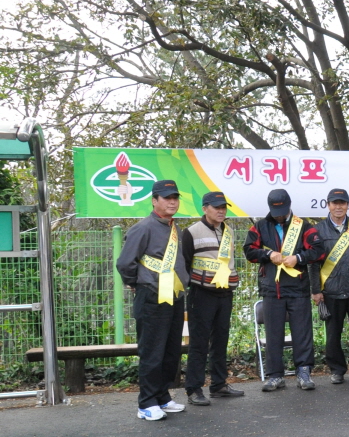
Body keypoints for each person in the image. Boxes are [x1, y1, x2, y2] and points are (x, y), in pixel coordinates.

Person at [117, 180, 190, 421]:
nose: (172, 202)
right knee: (152, 350)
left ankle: (162, 397)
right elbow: (125, 262)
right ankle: (146, 403)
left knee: (170, 350)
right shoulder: (143, 228)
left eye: (175, 197)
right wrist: (137, 283)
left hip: (175, 295)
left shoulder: (174, 228)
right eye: (166, 197)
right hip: (152, 296)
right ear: (154, 200)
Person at [244, 188, 325, 392]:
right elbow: (249, 251)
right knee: (273, 333)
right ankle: (274, 375)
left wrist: (298, 258)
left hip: (298, 288)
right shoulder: (260, 226)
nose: (279, 215)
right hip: (271, 288)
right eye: (275, 211)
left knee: (302, 332)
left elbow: (318, 250)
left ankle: (304, 372)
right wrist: (268, 254)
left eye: (282, 210)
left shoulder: (304, 226)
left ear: (289, 206)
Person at [181, 191, 245, 405]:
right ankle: (194, 388)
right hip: (201, 294)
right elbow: (185, 264)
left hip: (225, 293)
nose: (221, 211)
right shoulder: (191, 232)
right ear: (205, 208)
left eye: (223, 207)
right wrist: (199, 282)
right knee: (199, 342)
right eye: (216, 207)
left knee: (221, 339)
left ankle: (218, 384)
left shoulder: (229, 231)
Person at [310, 188, 349, 384]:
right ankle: (337, 370)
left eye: (342, 203)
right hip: (331, 291)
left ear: (348, 205)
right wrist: (316, 290)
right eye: (335, 203)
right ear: (328, 205)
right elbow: (313, 263)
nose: (338, 206)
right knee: (333, 334)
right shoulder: (318, 230)